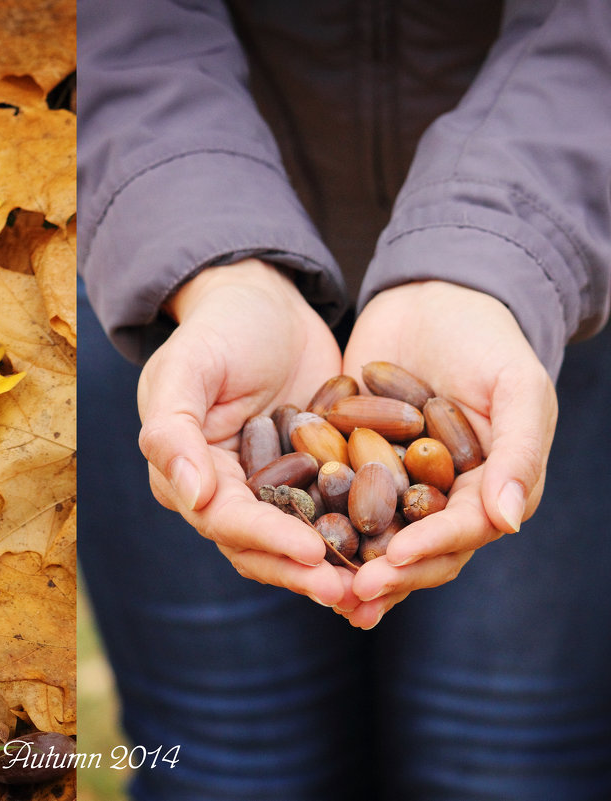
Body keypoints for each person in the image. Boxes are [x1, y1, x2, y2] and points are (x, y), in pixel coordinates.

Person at [77, 1, 611, 799]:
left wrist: (504, 247)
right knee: (231, 758)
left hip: (553, 270)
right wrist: (207, 256)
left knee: (512, 757)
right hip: (170, 262)